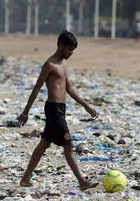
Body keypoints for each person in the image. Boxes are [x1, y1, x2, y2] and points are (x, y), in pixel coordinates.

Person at [17, 30, 99, 191]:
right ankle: (82, 182)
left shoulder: (62, 65)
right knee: (68, 146)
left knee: (43, 145)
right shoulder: (50, 65)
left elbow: (69, 89)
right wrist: (25, 112)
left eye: (72, 50)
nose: (71, 53)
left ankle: (25, 179)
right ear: (60, 45)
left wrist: (86, 106)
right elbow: (36, 89)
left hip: (61, 109)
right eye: (69, 49)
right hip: (53, 109)